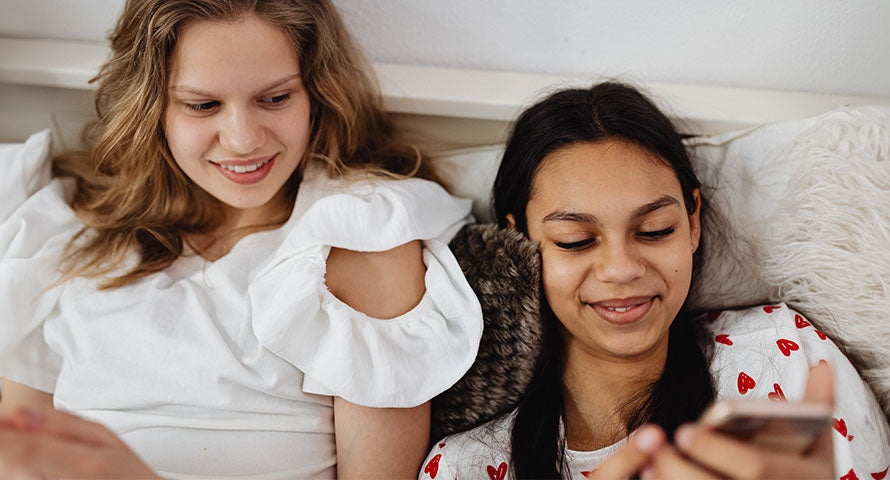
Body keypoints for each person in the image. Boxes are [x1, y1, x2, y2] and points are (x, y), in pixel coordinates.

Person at [0, 0, 482, 478]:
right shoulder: (69, 234)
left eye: (275, 99)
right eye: (202, 105)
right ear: (153, 107)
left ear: (315, 92)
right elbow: (25, 447)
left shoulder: (359, 235)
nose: (243, 139)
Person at [419, 82, 890, 479]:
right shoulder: (466, 466)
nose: (622, 268)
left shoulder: (783, 362)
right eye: (576, 239)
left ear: (693, 223)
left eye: (654, 231)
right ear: (519, 240)